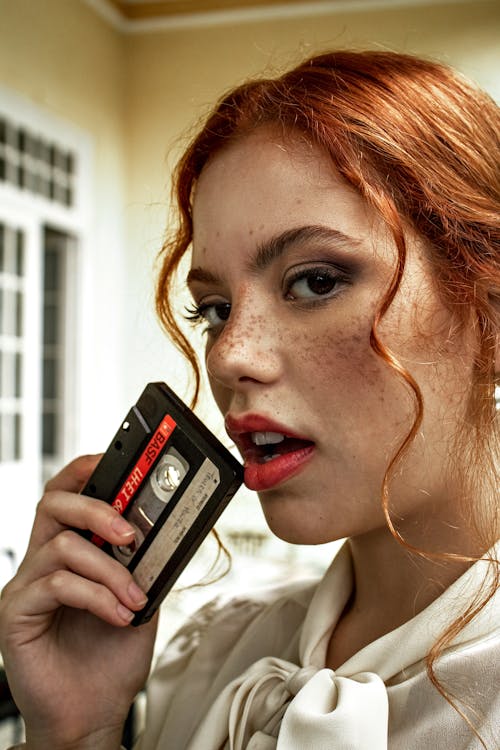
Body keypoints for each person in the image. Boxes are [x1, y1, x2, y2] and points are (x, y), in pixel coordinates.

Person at [0, 49, 498, 750]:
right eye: (213, 309)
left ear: (489, 310)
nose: (230, 353)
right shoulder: (210, 656)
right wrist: (77, 733)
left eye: (316, 281)